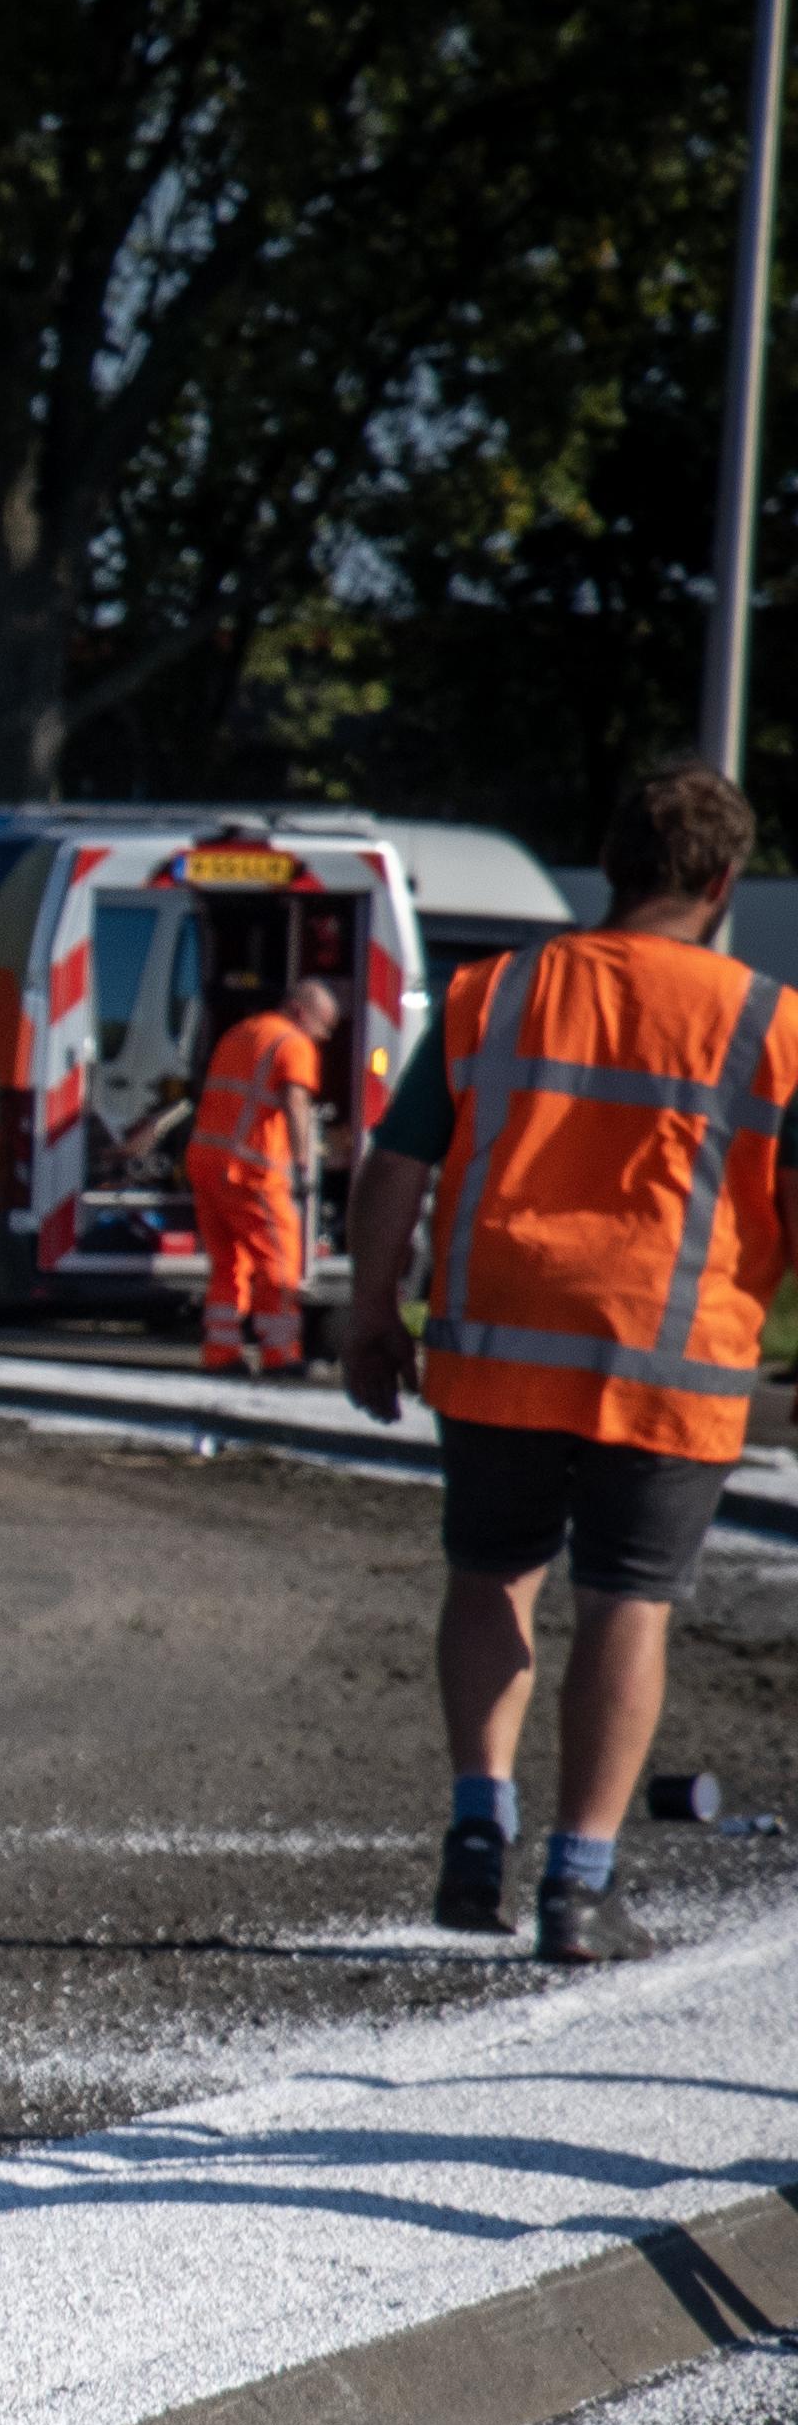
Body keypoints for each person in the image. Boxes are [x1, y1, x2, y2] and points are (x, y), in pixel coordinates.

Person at [343, 760, 795, 1965]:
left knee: (491, 1570)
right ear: (720, 879)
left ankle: (476, 1829)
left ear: (611, 864)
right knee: (625, 1602)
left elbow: (393, 1168)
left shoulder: (490, 993)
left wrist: (370, 1311)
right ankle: (578, 1884)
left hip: (496, 1345)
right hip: (670, 1358)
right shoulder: (771, 1021)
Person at [181, 972, 338, 1379]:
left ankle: (221, 1353)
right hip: (252, 1173)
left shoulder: (240, 1034)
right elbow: (296, 1103)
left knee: (228, 1264)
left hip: (207, 1163)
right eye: (322, 1026)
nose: (322, 1038)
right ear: (300, 1011)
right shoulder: (292, 1043)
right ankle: (281, 1355)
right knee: (280, 1263)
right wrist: (304, 1164)